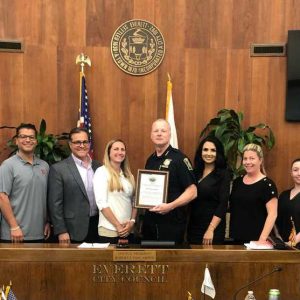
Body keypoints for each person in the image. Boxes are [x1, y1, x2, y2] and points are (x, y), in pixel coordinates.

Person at [141, 119, 197, 244]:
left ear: (170, 134)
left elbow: (192, 191)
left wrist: (170, 206)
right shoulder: (150, 160)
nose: (159, 133)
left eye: (163, 130)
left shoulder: (179, 159)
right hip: (151, 223)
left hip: (171, 224)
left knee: (168, 261)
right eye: (156, 131)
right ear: (151, 135)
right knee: (150, 260)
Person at [48, 127, 101, 243]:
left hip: (98, 227)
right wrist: (61, 230)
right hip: (72, 230)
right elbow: (55, 204)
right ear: (70, 145)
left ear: (89, 143)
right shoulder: (59, 169)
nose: (82, 145)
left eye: (85, 142)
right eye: (77, 142)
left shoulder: (99, 167)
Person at [0, 123, 50, 242]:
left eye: (31, 137)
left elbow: (46, 197)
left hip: (39, 234)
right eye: (23, 136)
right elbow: (2, 197)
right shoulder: (8, 166)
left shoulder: (45, 166)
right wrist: (14, 226)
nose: (28, 140)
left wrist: (47, 221)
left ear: (36, 141)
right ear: (16, 141)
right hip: (14, 234)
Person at [229, 143, 278, 244]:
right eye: (245, 158)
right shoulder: (237, 182)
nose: (248, 162)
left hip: (257, 242)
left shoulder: (268, 184)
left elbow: (272, 214)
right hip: (235, 239)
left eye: (252, 158)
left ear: (260, 160)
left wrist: (262, 239)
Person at [187, 136, 231, 245]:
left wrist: (211, 229)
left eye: (213, 150)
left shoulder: (224, 174)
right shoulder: (195, 172)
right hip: (193, 227)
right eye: (205, 149)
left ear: (218, 153)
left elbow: (223, 204)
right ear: (200, 152)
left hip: (212, 229)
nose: (208, 153)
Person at [93, 139, 137, 244]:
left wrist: (132, 222)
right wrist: (118, 226)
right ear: (109, 153)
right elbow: (101, 203)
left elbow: (135, 201)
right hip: (109, 231)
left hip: (128, 230)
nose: (120, 152)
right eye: (116, 149)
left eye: (123, 149)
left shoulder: (129, 175)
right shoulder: (101, 172)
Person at [276, 158, 300, 246]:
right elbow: (275, 217)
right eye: (295, 170)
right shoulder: (283, 195)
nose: (299, 173)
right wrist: (278, 238)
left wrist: (292, 243)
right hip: (283, 246)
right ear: (291, 173)